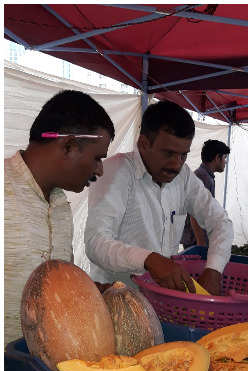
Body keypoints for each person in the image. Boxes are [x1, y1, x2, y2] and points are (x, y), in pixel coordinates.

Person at [85, 100, 233, 294]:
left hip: (163, 302)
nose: (176, 164)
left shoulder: (184, 176)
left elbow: (221, 221)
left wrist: (214, 268)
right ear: (144, 143)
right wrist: (148, 259)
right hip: (115, 298)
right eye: (168, 153)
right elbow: (96, 242)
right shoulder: (116, 172)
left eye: (183, 155)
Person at [5, 90, 114, 344]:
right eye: (97, 158)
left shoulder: (61, 206)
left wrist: (92, 292)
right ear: (69, 145)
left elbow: (59, 285)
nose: (100, 169)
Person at [180, 139, 230, 248]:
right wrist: (201, 242)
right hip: (194, 239)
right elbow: (194, 214)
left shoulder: (205, 175)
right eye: (224, 157)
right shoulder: (203, 178)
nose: (225, 162)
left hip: (196, 237)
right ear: (217, 158)